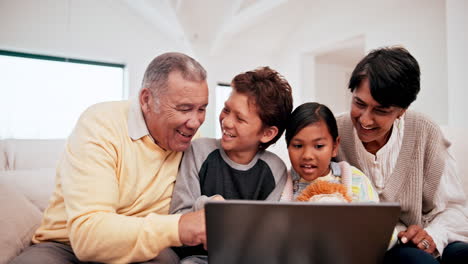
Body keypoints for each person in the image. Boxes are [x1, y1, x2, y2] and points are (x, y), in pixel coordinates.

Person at [11, 52, 210, 264]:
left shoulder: (192, 139)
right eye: (184, 109)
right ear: (147, 100)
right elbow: (88, 236)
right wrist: (179, 226)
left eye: (202, 109)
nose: (195, 122)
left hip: (144, 249)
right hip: (66, 246)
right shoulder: (100, 124)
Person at [335, 46, 468, 264]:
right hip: (376, 245)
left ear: (402, 110)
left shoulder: (425, 130)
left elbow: (453, 209)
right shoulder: (334, 134)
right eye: (359, 103)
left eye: (381, 110)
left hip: (427, 234)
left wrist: (432, 236)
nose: (365, 120)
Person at [169, 66, 293, 263]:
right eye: (226, 109)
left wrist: (222, 217)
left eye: (240, 118)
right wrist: (211, 207)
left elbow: (268, 235)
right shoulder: (198, 151)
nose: (226, 122)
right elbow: (178, 217)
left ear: (267, 133)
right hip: (196, 257)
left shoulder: (274, 169)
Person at [280, 102, 379, 204]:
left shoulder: (357, 181)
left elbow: (374, 218)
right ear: (288, 145)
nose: (307, 155)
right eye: (298, 146)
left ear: (334, 147)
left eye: (319, 146)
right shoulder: (280, 184)